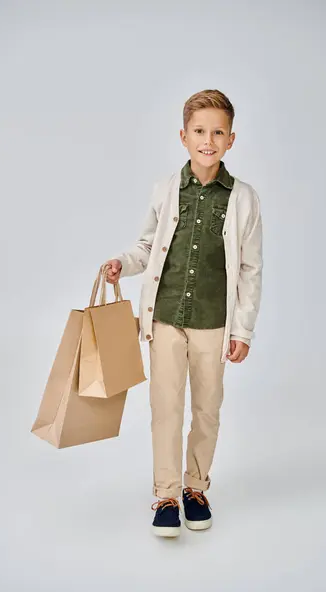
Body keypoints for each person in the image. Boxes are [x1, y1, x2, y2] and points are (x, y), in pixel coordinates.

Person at [102, 89, 263, 538]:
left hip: (215, 322)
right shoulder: (165, 190)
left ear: (231, 139)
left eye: (217, 132)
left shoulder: (245, 199)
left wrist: (244, 329)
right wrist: (122, 263)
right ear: (183, 136)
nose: (207, 140)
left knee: (208, 409)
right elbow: (147, 246)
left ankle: (196, 488)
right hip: (165, 318)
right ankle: (167, 494)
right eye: (198, 131)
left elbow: (250, 268)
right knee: (166, 408)